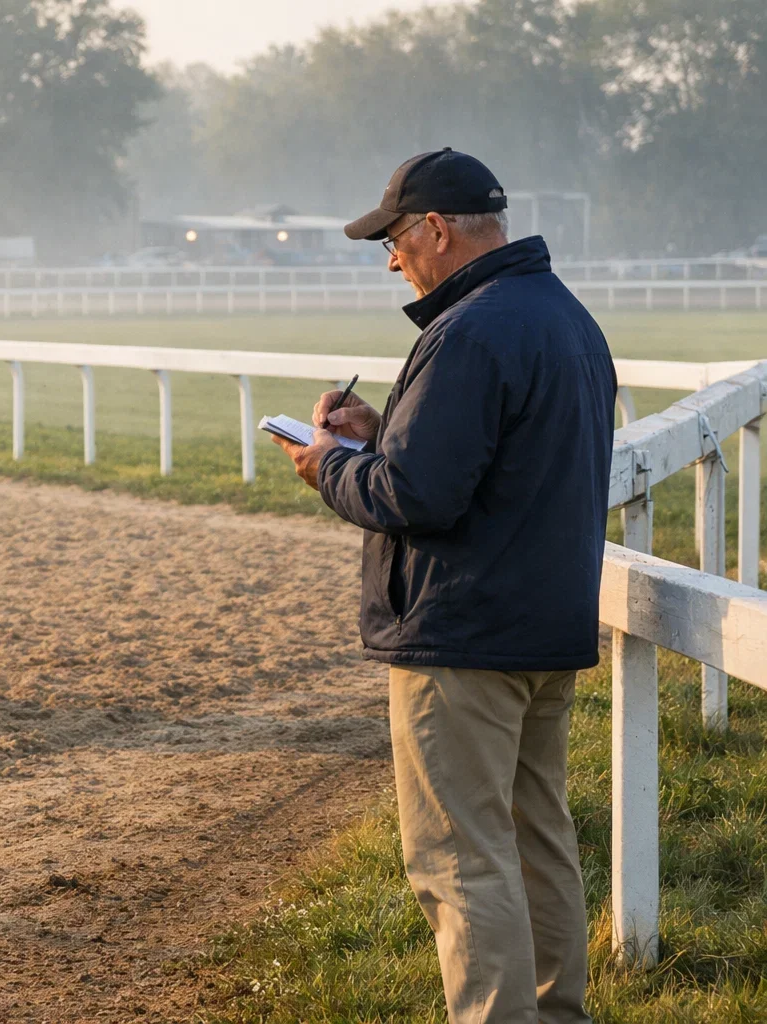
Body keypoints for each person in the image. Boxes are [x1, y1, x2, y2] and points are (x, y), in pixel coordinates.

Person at [273, 148, 615, 1024]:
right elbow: (494, 462)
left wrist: (330, 467)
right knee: (538, 843)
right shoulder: (565, 316)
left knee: (461, 862)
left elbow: (415, 494)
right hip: (545, 626)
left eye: (392, 238)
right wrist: (383, 432)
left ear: (434, 229)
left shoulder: (466, 330)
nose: (391, 258)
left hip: (463, 634)